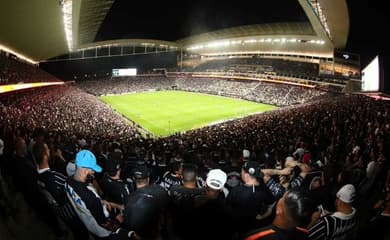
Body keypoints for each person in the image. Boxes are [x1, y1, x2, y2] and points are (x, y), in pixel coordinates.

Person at [65, 150, 129, 240]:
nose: (93, 172)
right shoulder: (91, 198)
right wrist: (119, 220)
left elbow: (84, 203)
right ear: (85, 169)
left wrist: (103, 203)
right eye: (92, 169)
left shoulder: (67, 183)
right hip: (104, 233)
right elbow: (106, 224)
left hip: (90, 226)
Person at [34, 142, 89, 240]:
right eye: (47, 149)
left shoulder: (36, 175)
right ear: (45, 156)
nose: (50, 150)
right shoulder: (54, 177)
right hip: (71, 213)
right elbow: (72, 188)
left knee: (75, 231)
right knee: (82, 233)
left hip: (60, 212)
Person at [226, 161, 275, 236]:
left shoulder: (235, 191)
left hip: (239, 230)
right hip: (256, 230)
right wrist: (263, 216)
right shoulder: (264, 190)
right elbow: (272, 205)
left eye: (242, 171)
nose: (240, 173)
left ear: (246, 175)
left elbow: (227, 210)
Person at [245, 189, 315, 240]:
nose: (280, 198)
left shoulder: (256, 237)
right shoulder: (304, 233)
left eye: (282, 197)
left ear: (279, 210)